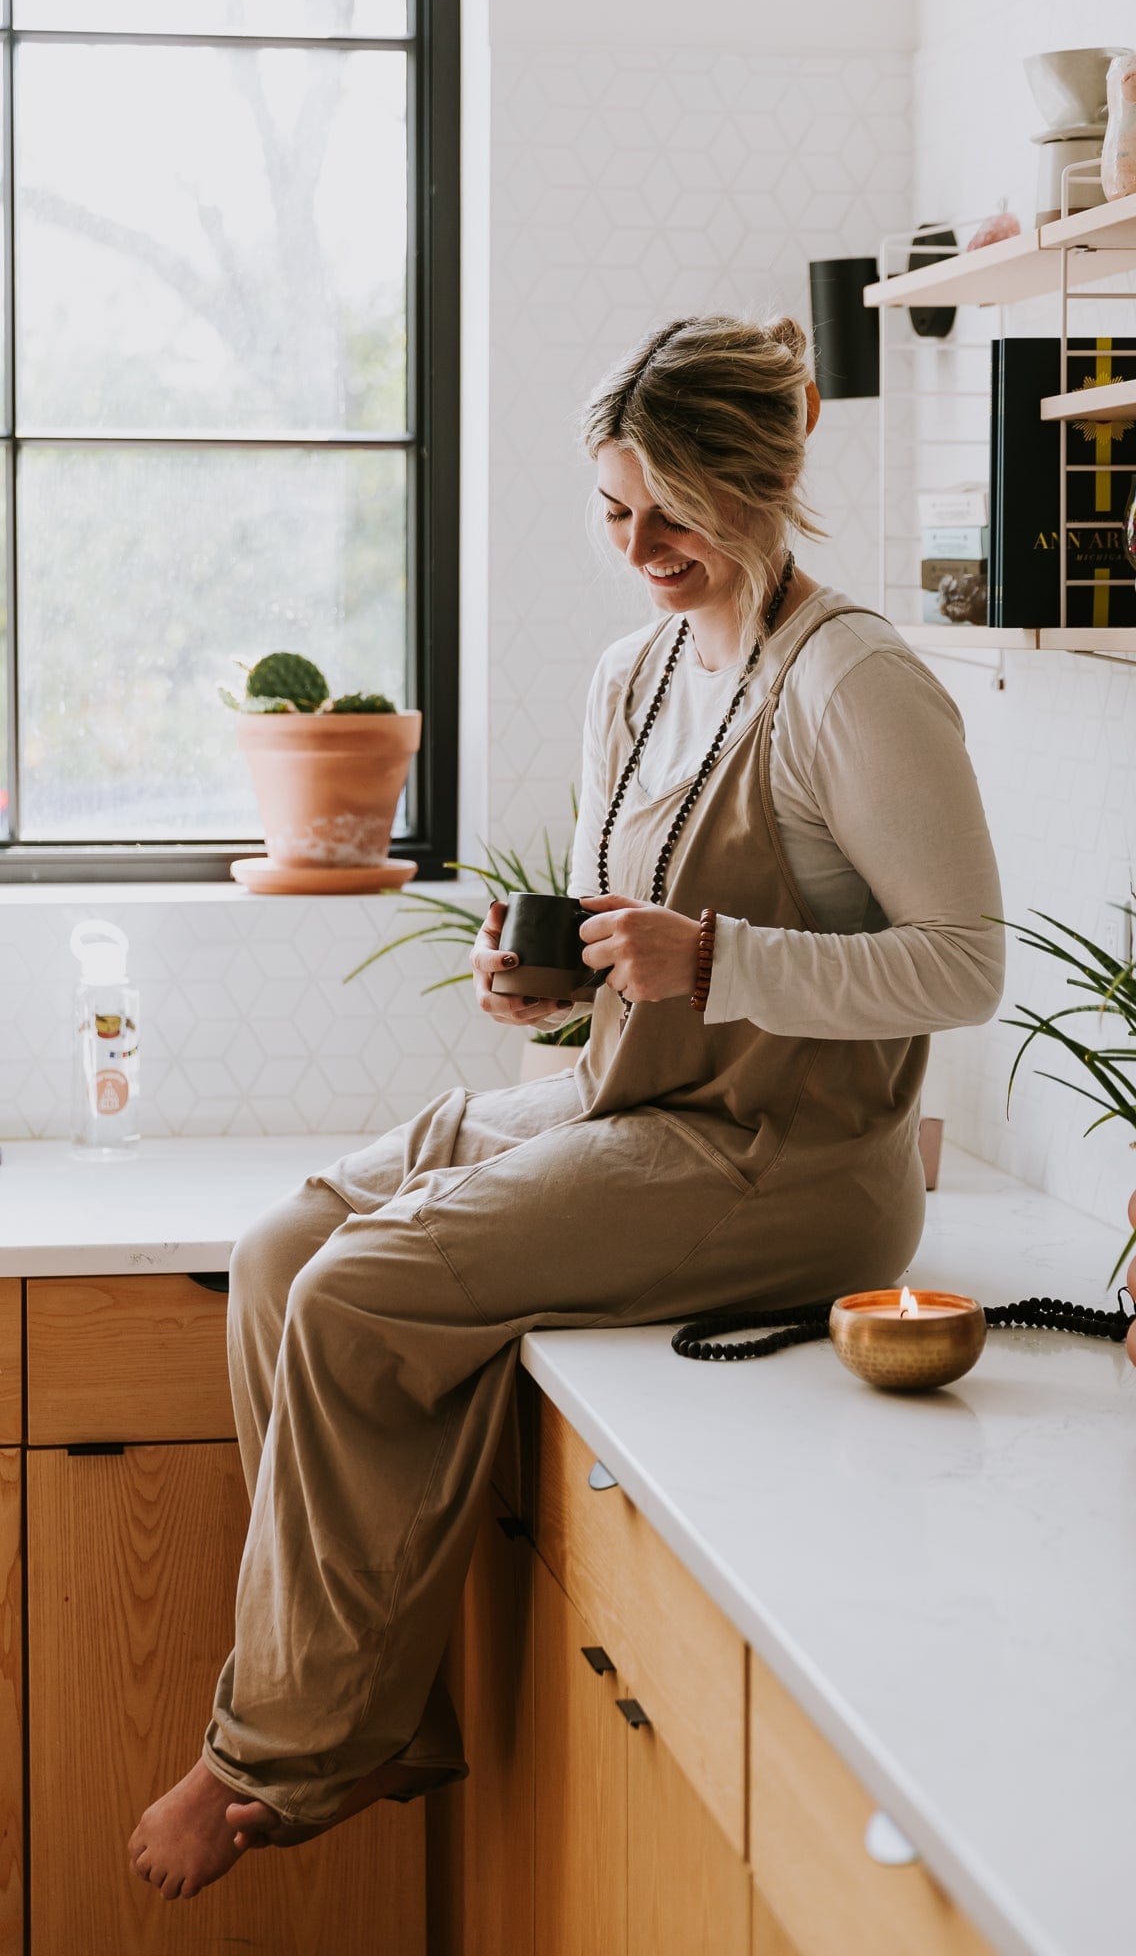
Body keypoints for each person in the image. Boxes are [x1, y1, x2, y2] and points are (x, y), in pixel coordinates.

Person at [127, 311, 1005, 1900]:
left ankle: (282, 1752)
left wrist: (711, 959)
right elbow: (632, 947)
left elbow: (962, 965)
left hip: (788, 1160)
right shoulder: (638, 672)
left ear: (768, 479)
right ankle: (378, 1718)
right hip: (627, 1099)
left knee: (357, 1294)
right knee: (278, 1251)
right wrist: (557, 986)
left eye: (676, 511)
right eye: (615, 510)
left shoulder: (852, 681)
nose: (641, 548)